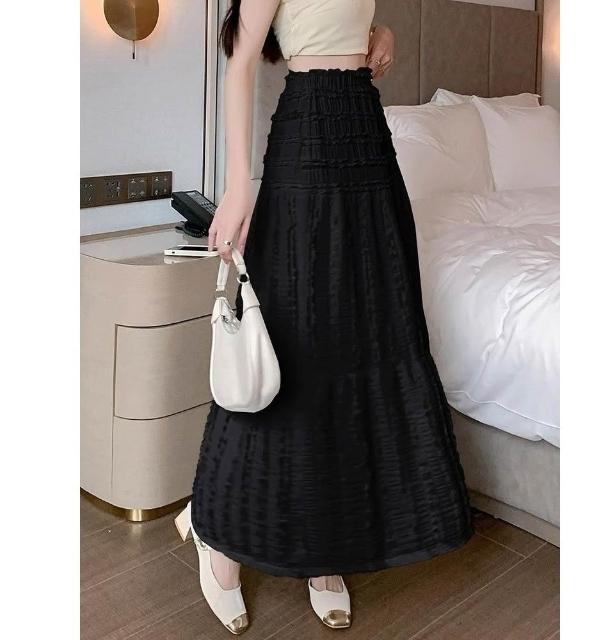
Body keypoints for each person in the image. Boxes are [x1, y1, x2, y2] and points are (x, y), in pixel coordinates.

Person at [174, 0, 473, 634]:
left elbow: (329, 23)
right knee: (296, 345)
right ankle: (219, 540)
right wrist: (237, 187)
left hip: (367, 134)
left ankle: (326, 547)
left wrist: (380, 30)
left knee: (361, 340)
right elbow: (240, 60)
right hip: (306, 136)